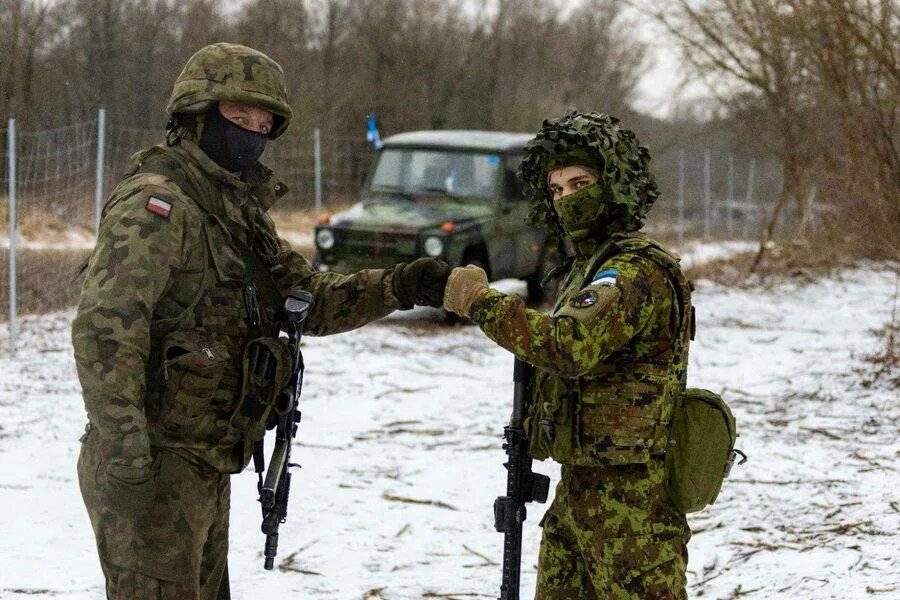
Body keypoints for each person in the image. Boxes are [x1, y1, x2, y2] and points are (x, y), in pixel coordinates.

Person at [72, 42, 449, 600]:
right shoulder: (159, 206)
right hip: (155, 461)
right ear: (196, 117)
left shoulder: (236, 212)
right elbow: (106, 329)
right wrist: (128, 457)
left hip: (206, 460)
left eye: (263, 122)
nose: (251, 131)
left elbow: (308, 301)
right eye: (237, 118)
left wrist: (402, 284)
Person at [443, 111, 692, 599]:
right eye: (556, 191)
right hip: (579, 487)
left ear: (615, 184)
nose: (568, 199)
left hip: (632, 503)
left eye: (580, 183)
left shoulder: (631, 272)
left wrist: (480, 300)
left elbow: (566, 346)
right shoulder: (588, 268)